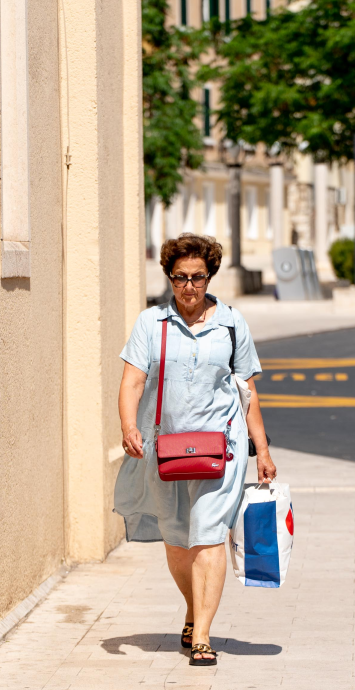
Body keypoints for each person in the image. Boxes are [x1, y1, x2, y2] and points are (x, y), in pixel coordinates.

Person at [115, 233, 276, 668]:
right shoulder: (151, 323)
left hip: (221, 448)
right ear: (169, 277)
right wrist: (129, 426)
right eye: (180, 277)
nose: (189, 286)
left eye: (198, 277)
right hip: (164, 448)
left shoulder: (230, 323)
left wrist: (261, 449)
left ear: (210, 277)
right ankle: (194, 608)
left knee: (208, 537)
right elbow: (131, 381)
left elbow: (247, 391)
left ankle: (201, 635)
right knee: (177, 541)